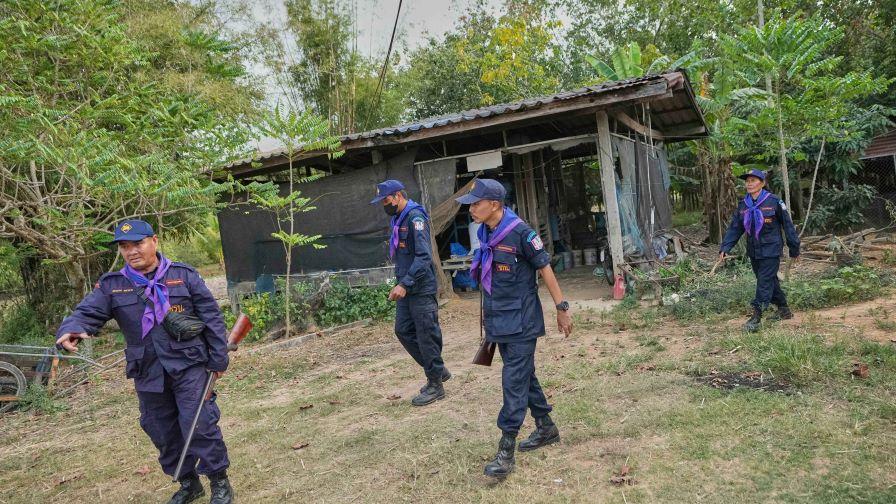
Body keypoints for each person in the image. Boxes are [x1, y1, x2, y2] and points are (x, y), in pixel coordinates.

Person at [56, 220, 234, 504]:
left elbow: (211, 318)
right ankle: (189, 482)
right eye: (125, 247)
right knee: (161, 429)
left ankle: (219, 482)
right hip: (148, 370)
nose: (131, 251)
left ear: (154, 241)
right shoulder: (113, 286)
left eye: (137, 244)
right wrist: (71, 328)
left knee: (198, 423)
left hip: (190, 365)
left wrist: (218, 360)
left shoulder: (183, 275)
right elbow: (87, 312)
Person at [456, 178, 573, 479]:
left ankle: (505, 451)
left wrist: (562, 309)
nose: (471, 209)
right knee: (523, 376)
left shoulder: (521, 232)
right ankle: (546, 427)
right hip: (498, 320)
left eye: (476, 204)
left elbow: (545, 267)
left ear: (494, 204)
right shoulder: (486, 232)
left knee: (513, 382)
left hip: (522, 323)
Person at [370, 180, 450, 406]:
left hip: (419, 287)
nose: (383, 205)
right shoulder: (398, 218)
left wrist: (405, 284)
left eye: (385, 200)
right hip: (406, 286)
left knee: (426, 335)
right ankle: (437, 370)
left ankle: (436, 384)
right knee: (403, 330)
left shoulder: (415, 218)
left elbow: (424, 257)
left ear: (397, 196)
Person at [719, 169, 801, 332]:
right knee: (769, 280)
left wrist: (794, 248)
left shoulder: (774, 202)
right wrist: (725, 247)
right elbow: (736, 228)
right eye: (747, 181)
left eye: (753, 180)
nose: (749, 183)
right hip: (754, 251)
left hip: (771, 250)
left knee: (764, 281)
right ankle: (783, 309)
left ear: (762, 183)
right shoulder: (744, 205)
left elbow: (788, 226)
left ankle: (756, 316)